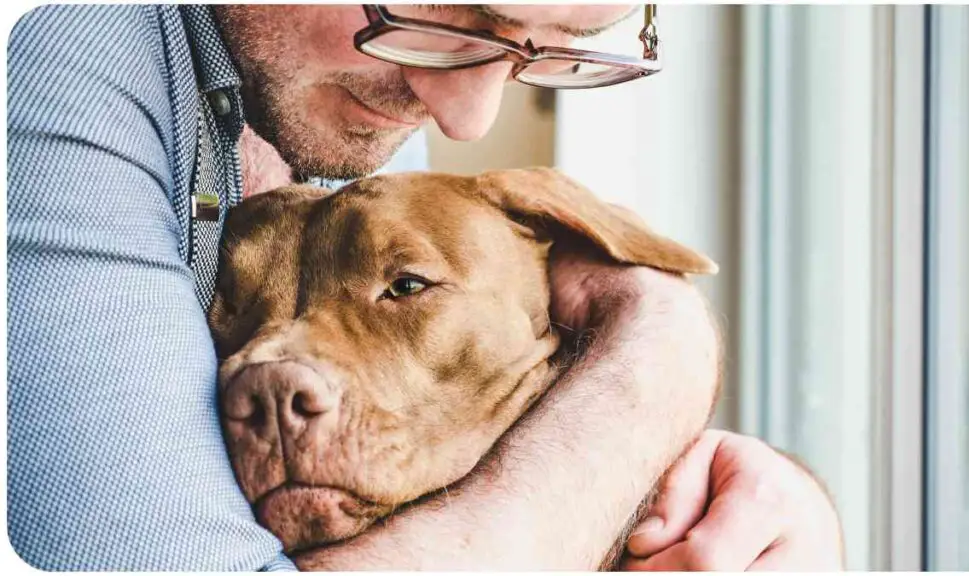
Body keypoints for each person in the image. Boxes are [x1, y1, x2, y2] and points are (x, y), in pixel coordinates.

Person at [7, 4, 843, 571]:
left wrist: (762, 513)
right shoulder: (51, 50)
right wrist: (660, 364)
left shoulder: (360, 122)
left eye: (542, 48)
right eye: (442, 8)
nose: (467, 118)